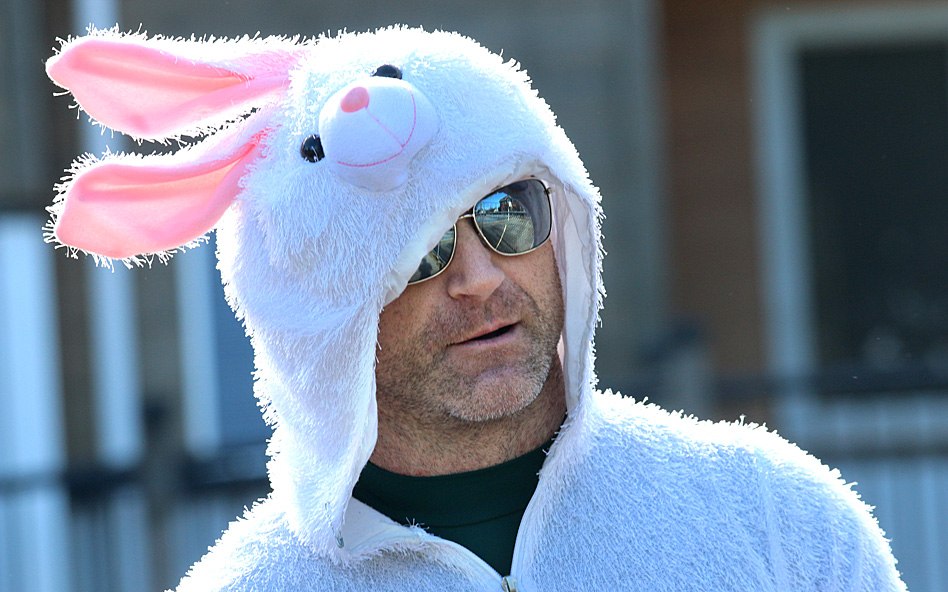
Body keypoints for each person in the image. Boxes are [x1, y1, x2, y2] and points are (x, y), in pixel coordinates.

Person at [46, 27, 905, 592]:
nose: (482, 277)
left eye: (507, 212)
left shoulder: (773, 520)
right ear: (324, 312)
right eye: (419, 252)